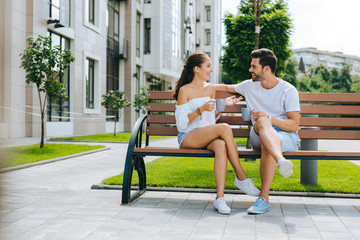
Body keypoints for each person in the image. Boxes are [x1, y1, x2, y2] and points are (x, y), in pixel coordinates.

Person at [216, 48, 301, 214]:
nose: (250, 70)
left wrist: (269, 117)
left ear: (266, 68)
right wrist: (197, 84)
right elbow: (223, 86)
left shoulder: (288, 90)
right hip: (259, 131)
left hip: (285, 136)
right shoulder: (249, 86)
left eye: (254, 67)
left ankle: (263, 199)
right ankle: (281, 161)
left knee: (267, 141)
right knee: (263, 124)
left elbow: (293, 126)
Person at [174, 52, 260, 215]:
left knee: (221, 145)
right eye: (208, 66)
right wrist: (201, 109)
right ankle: (241, 177)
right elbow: (181, 124)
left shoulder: (211, 88)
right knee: (224, 127)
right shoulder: (184, 90)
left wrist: (223, 105)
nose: (211, 69)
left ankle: (220, 198)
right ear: (197, 69)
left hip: (206, 134)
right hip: (188, 136)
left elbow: (210, 118)